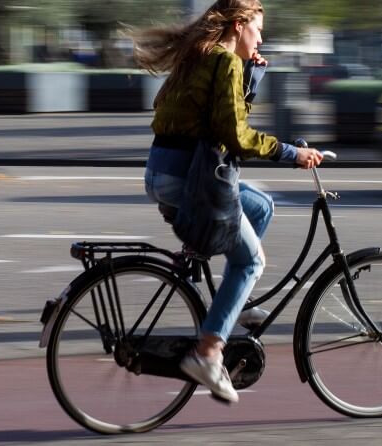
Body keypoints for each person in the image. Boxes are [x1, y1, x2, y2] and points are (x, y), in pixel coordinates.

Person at [134, 0, 323, 404]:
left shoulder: (200, 55)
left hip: (163, 171)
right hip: (189, 180)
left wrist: (251, 73)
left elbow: (221, 115)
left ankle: (236, 300)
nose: (261, 38)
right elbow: (236, 134)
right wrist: (291, 153)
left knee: (260, 206)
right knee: (252, 261)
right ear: (238, 26)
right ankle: (207, 353)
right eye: (257, 29)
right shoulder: (223, 61)